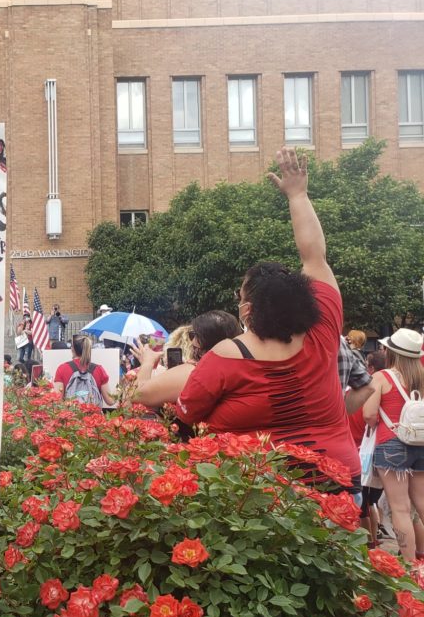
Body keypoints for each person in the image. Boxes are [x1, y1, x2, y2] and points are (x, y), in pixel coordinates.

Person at [177, 148, 360, 493]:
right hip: (338, 475)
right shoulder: (323, 328)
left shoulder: (224, 357)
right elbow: (314, 255)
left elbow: (187, 416)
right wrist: (298, 194)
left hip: (267, 492)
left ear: (247, 312)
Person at [362, 328, 424, 561]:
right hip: (421, 442)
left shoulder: (382, 377)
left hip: (391, 444)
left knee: (400, 509)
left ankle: (409, 567)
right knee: (421, 504)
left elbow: (368, 414)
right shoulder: (422, 376)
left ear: (392, 353)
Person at [131, 311, 242, 408]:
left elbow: (135, 395)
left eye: (193, 335)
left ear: (201, 340)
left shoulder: (193, 372)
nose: (191, 341)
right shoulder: (237, 368)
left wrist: (147, 362)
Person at [53, 333, 114, 407]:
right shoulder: (99, 369)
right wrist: (120, 391)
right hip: (94, 417)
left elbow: (57, 401)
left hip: (71, 417)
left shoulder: (62, 369)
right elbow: (110, 401)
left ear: (73, 349)